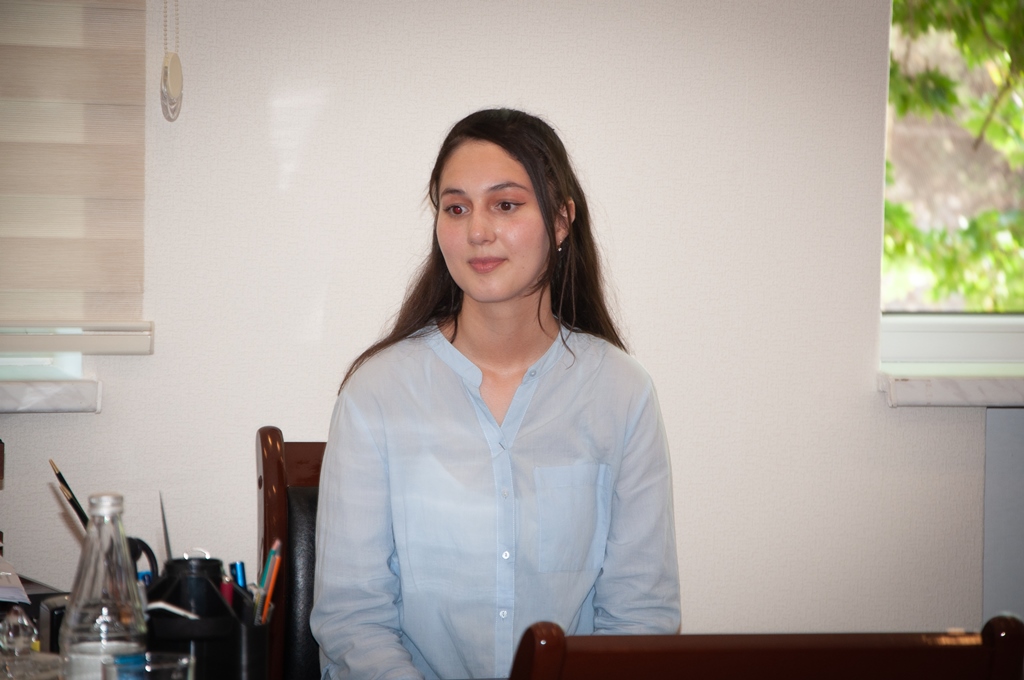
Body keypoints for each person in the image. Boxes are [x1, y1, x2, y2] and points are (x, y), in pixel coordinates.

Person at [311, 108, 680, 680]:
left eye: (505, 205)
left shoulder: (622, 393)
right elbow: (353, 619)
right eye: (456, 208)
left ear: (561, 221)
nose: (477, 231)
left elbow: (641, 615)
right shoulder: (377, 395)